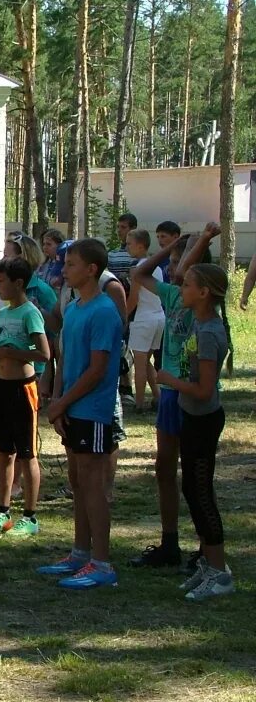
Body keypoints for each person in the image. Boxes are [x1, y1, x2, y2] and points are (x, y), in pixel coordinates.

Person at [39, 239, 124, 589]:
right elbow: (62, 358)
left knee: (93, 486)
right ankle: (79, 553)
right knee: (77, 482)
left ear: (91, 269)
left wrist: (63, 402)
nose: (64, 270)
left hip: (94, 410)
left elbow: (97, 370)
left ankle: (101, 562)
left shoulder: (104, 311)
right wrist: (57, 400)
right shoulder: (73, 308)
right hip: (71, 406)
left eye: (71, 264)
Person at [129, 228, 215, 569]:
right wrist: (171, 249)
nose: (176, 274)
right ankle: (170, 543)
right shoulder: (171, 295)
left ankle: (207, 546)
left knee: (197, 476)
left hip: (191, 395)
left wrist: (202, 241)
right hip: (168, 395)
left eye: (184, 269)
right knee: (165, 468)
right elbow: (139, 274)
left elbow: (183, 273)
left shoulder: (203, 308)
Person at [156, 258, 235, 600]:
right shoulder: (197, 323)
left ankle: (219, 571)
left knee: (200, 494)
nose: (181, 288)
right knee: (192, 489)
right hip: (192, 417)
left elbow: (204, 390)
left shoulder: (208, 332)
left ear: (203, 293)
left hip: (203, 420)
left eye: (187, 285)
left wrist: (170, 380)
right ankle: (210, 565)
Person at [0, 257, 50, 537]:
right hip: (0, 386)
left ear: (18, 283)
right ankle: (3, 510)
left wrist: (11, 352)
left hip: (23, 389)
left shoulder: (29, 313)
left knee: (26, 454)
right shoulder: (2, 314)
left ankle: (30, 516)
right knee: (4, 452)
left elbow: (44, 354)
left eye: (1, 282)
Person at [126, 229, 164, 413]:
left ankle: (139, 403)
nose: (127, 247)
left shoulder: (138, 269)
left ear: (141, 246)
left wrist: (122, 316)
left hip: (144, 318)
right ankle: (158, 396)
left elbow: (133, 299)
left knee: (139, 363)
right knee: (146, 360)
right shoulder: (156, 267)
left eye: (129, 244)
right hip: (158, 317)